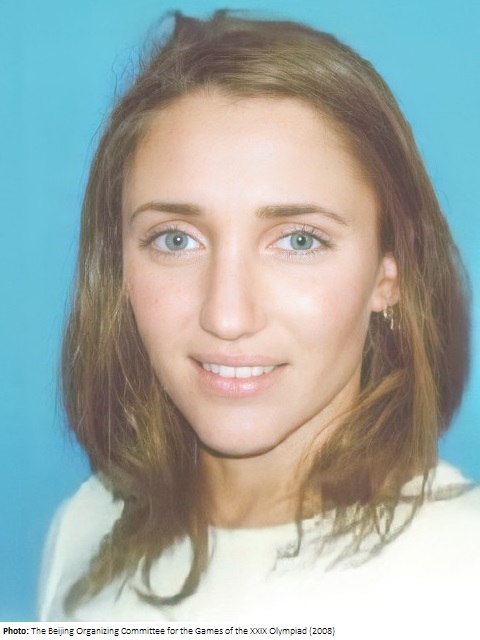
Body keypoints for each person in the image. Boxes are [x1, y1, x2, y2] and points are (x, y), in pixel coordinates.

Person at [39, 10, 480, 624]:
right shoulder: (85, 531)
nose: (227, 316)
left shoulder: (465, 571)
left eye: (299, 240)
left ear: (390, 274)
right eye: (175, 239)